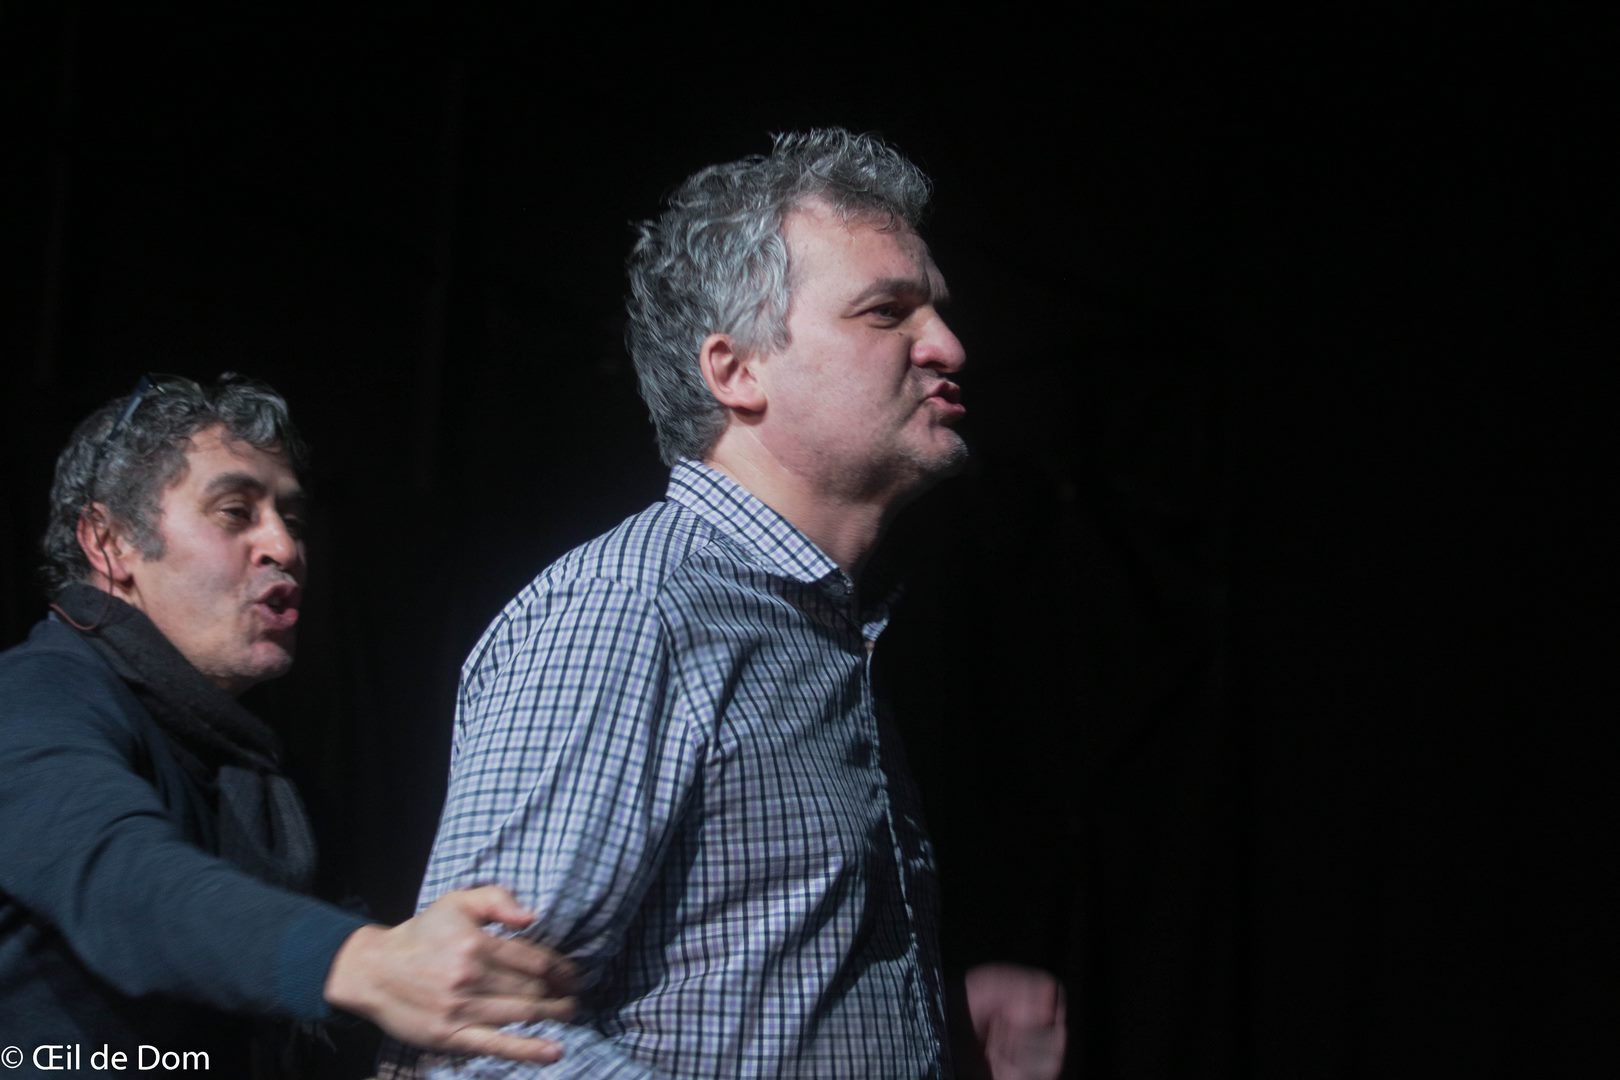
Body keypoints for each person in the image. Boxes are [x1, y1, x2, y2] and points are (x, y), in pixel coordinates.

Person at [380, 130, 1064, 1078]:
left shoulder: (818, 623)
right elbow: (471, 1044)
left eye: (936, 311)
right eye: (886, 312)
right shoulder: (629, 612)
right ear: (737, 371)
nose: (948, 345)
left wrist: (931, 1029)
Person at [0, 374, 577, 1078]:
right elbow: (125, 883)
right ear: (109, 541)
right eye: (235, 512)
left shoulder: (245, 750)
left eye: (292, 519)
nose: (284, 545)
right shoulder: (31, 697)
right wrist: (364, 963)